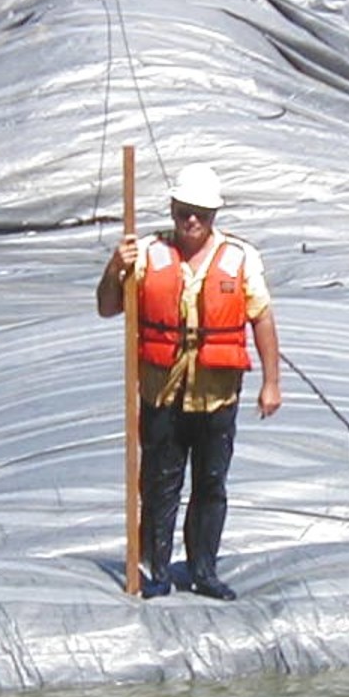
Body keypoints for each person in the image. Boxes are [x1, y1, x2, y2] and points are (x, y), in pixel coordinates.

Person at [96, 161, 281, 600]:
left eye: (200, 212)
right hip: (162, 394)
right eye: (183, 211)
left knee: (211, 484)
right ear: (173, 209)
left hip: (216, 396)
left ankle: (204, 570)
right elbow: (106, 306)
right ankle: (155, 569)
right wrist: (113, 268)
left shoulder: (240, 258)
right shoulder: (143, 255)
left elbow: (262, 318)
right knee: (160, 485)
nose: (191, 220)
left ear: (214, 214)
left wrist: (271, 382)